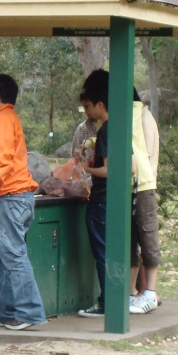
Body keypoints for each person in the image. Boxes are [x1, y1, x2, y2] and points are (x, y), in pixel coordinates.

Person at [0, 74, 46, 331]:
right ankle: (5, 311)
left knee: (13, 256)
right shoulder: (2, 121)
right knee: (5, 258)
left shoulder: (2, 120)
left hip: (10, 196)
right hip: (16, 196)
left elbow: (0, 157)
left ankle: (28, 312)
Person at [77, 71, 110, 317]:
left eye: (88, 106)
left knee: (102, 252)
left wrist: (85, 168)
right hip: (111, 199)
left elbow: (108, 170)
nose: (87, 111)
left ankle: (106, 302)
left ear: (100, 104)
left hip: (101, 200)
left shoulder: (106, 132)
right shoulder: (116, 128)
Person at [129, 87, 162, 314]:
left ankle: (150, 292)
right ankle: (131, 293)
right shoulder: (122, 115)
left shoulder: (142, 116)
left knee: (148, 237)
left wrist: (144, 174)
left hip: (143, 185)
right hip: (129, 187)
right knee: (130, 241)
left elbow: (148, 152)